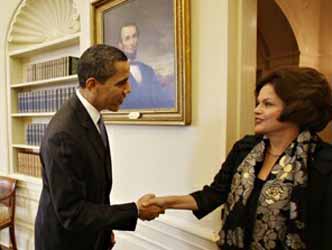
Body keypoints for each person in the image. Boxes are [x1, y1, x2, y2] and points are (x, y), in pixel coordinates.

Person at [144, 67, 332, 250]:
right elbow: (214, 195)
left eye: (267, 104)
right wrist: (164, 202)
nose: (257, 110)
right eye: (258, 103)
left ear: (296, 109)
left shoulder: (323, 162)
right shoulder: (245, 149)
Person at [35, 44, 164, 250]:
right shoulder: (63, 134)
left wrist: (105, 229)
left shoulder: (92, 114)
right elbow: (72, 213)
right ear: (93, 84)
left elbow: (94, 191)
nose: (128, 89)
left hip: (91, 237)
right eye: (121, 83)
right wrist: (135, 211)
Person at [118, 23, 174, 109]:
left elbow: (161, 99)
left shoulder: (148, 70)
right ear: (120, 45)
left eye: (134, 36)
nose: (132, 42)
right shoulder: (115, 73)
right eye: (127, 38)